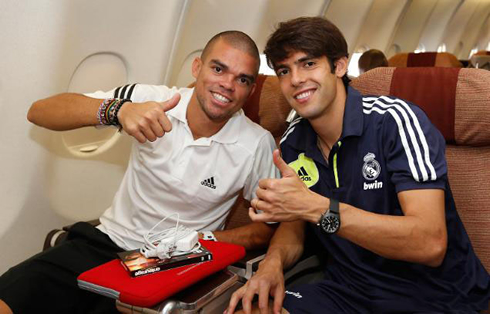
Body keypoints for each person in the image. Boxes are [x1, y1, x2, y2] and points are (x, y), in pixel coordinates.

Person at [0, 31, 279, 314]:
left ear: (251, 90)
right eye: (218, 69)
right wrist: (117, 111)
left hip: (176, 264)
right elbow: (40, 112)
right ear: (197, 68)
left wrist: (205, 240)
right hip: (106, 243)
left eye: (242, 79)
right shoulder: (151, 100)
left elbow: (267, 227)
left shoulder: (256, 144)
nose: (227, 84)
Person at [226, 17, 490, 314]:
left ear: (340, 66)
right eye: (284, 70)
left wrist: (319, 208)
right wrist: (270, 265)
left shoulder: (394, 122)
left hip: (433, 296)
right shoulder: (293, 142)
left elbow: (430, 243)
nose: (296, 79)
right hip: (346, 291)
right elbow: (294, 227)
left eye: (309, 64)